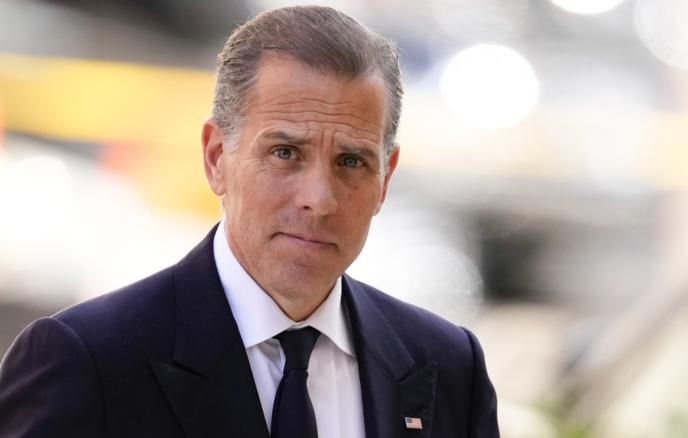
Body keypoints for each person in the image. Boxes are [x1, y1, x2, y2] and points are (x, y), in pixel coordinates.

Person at [0, 5, 499, 437]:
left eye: (351, 162)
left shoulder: (450, 367)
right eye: (285, 153)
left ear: (385, 178)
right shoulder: (88, 361)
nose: (319, 200)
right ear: (217, 157)